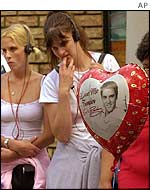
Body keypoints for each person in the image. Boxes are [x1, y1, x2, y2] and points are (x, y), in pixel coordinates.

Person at [39, 11, 120, 189]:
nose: (61, 52)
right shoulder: (52, 80)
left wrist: (107, 80)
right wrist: (63, 91)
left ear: (76, 36)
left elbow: (118, 121)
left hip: (104, 159)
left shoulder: (107, 63)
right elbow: (62, 135)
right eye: (54, 48)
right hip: (68, 165)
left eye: (64, 43)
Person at [1, 23, 54, 189]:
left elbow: (50, 133)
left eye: (12, 49)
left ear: (28, 49)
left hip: (34, 162)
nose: (7, 55)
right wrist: (11, 145)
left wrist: (17, 152)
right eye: (4, 50)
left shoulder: (44, 82)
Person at [99, 31, 149, 189]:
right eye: (147, 67)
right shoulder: (132, 96)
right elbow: (112, 137)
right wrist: (105, 181)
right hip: (132, 179)